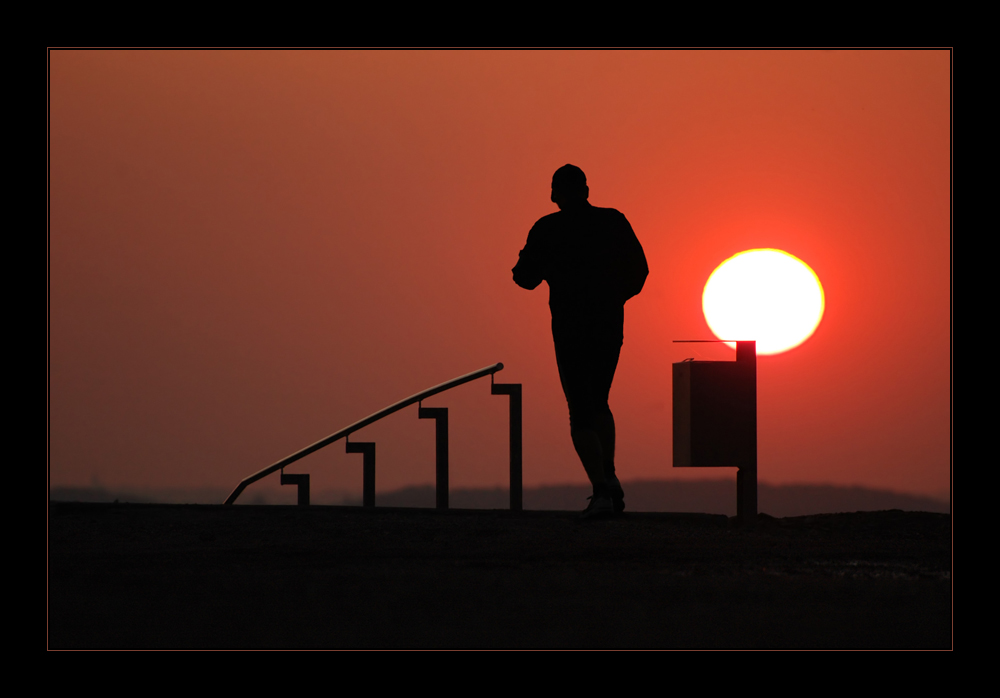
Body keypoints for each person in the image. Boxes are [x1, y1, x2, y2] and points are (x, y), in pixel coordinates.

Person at [512, 165, 648, 518]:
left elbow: (524, 278)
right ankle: (610, 478)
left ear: (556, 194)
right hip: (608, 325)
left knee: (581, 409)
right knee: (599, 401)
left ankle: (602, 488)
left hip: (571, 329)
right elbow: (639, 272)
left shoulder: (548, 229)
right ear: (586, 190)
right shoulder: (613, 221)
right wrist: (613, 298)